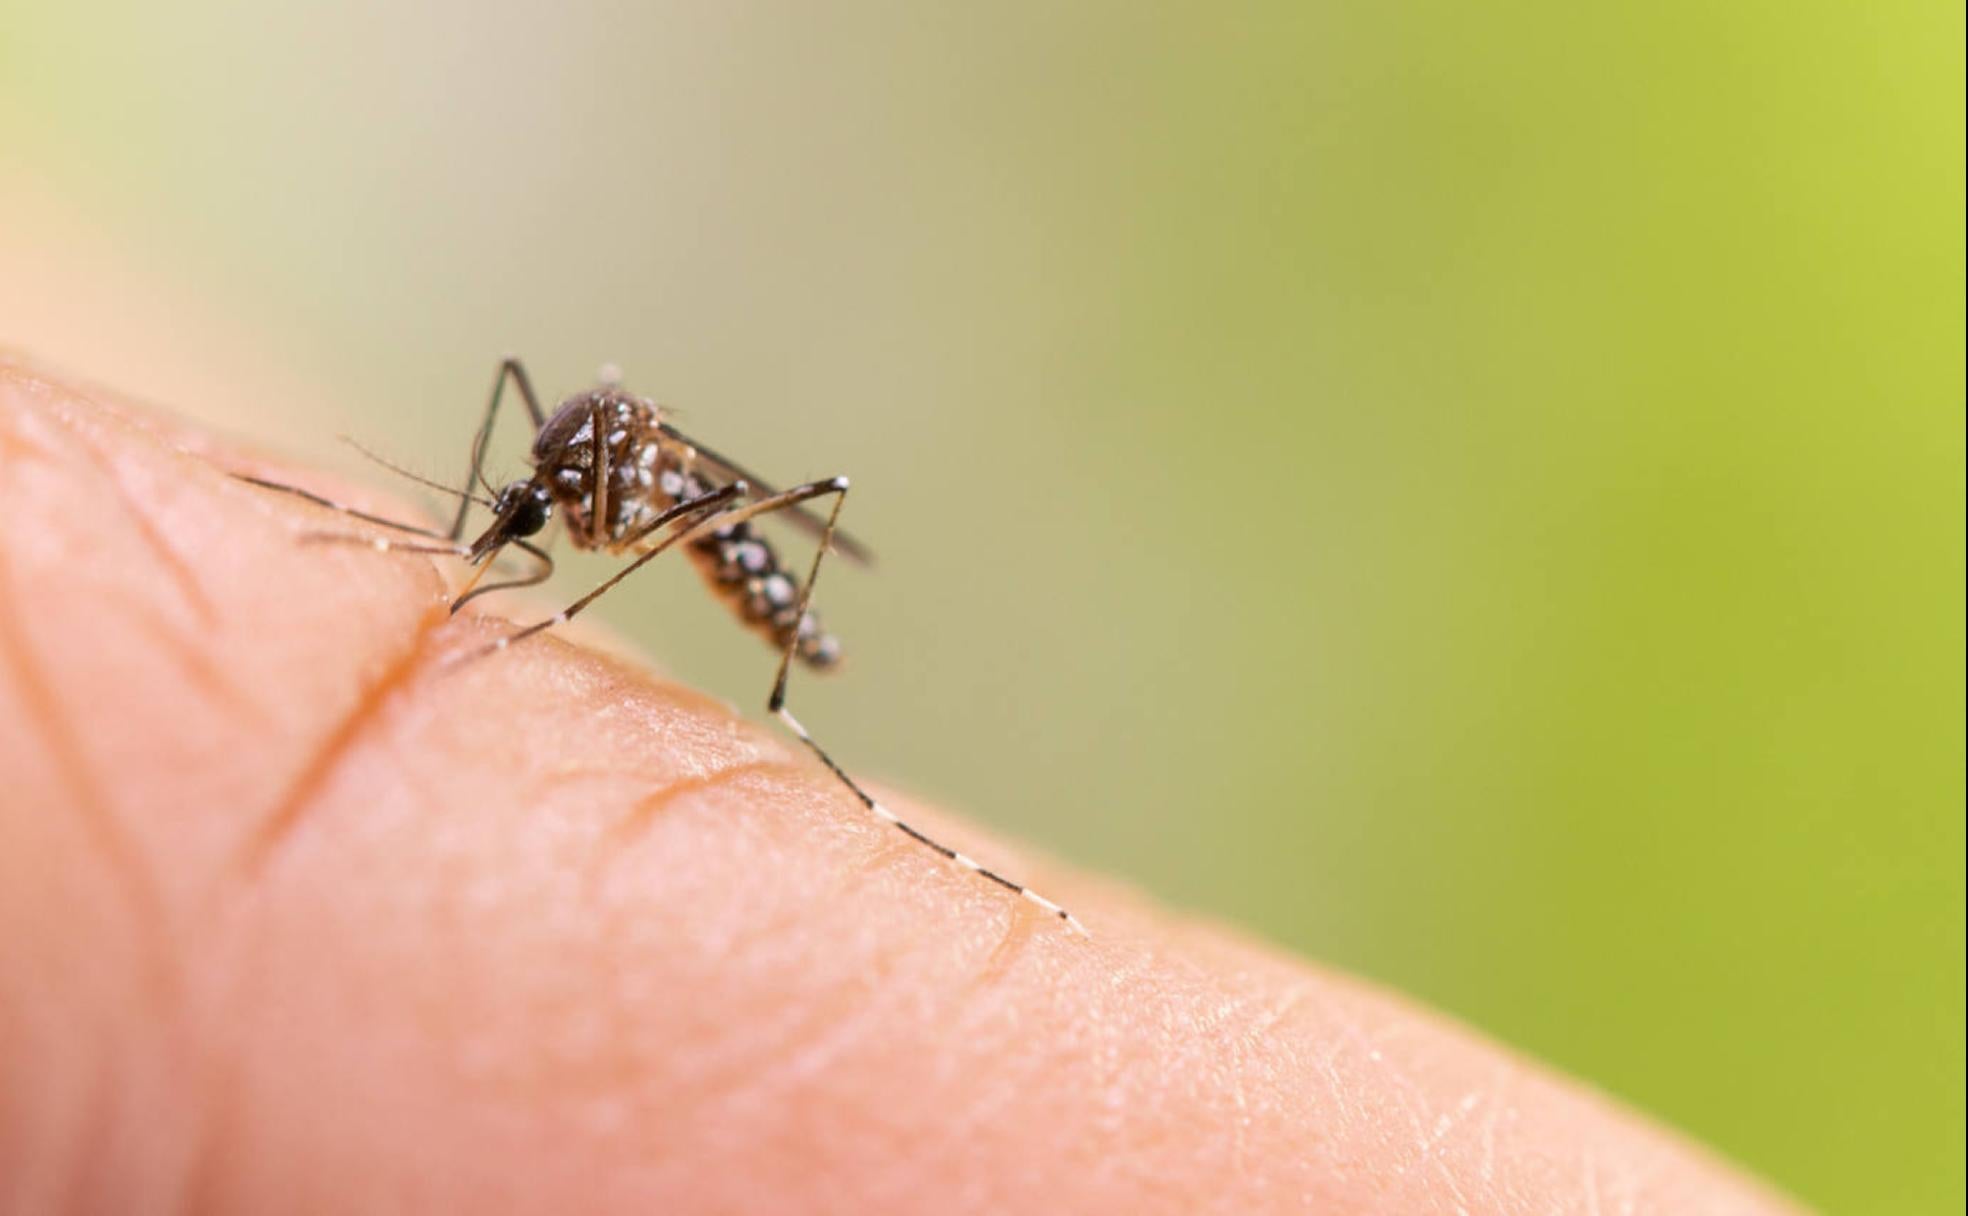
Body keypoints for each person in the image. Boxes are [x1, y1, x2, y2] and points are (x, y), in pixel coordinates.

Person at [0, 359, 1797, 1213]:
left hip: (708, 520)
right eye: (522, 512)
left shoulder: (632, 496)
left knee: (737, 511)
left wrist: (599, 586)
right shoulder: (548, 460)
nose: (524, 521)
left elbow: (637, 491)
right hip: (639, 491)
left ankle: (797, 714)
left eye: (524, 510)